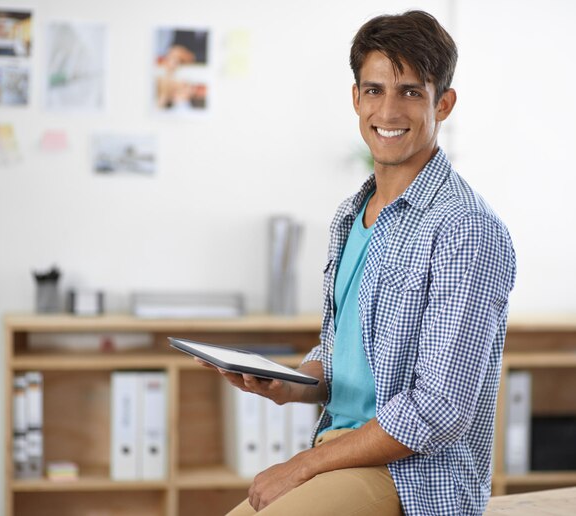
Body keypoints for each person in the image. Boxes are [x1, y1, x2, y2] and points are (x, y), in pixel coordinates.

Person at [199, 10, 516, 515]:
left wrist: (301, 466)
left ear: (445, 103)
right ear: (356, 99)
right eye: (374, 90)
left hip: (416, 478)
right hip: (339, 457)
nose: (388, 111)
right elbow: (345, 354)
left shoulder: (465, 229)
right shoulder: (351, 215)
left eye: (411, 92)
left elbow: (438, 411)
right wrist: (293, 384)